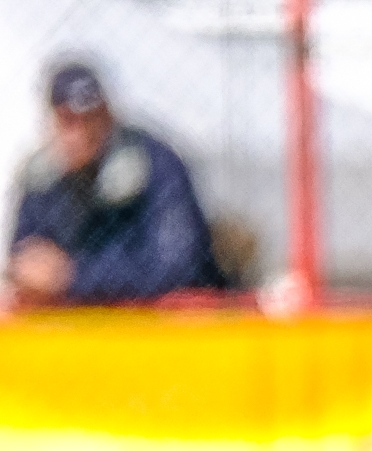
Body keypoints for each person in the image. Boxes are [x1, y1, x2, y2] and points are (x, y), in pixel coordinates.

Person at [7, 60, 219, 309]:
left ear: (108, 115)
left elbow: (178, 267)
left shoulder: (157, 165)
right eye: (68, 120)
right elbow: (26, 261)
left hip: (156, 322)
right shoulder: (39, 179)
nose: (81, 133)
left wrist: (73, 277)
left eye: (90, 119)